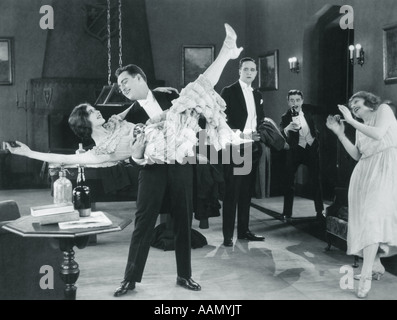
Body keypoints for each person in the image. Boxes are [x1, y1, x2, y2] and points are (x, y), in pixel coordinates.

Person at [6, 23, 246, 296]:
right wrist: (28, 152)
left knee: (182, 221)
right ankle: (130, 279)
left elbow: (188, 119)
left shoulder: (167, 95)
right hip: (152, 170)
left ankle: (185, 276)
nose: (121, 89)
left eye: (124, 83)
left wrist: (195, 144)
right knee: (143, 223)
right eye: (119, 86)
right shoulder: (126, 116)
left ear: (139, 78)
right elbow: (86, 154)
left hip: (180, 164)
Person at [326, 91, 397, 299]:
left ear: (369, 102)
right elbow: (357, 155)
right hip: (364, 174)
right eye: (350, 104)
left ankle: (365, 275)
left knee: (374, 218)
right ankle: (376, 265)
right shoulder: (359, 127)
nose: (352, 106)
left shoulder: (383, 110)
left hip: (385, 169)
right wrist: (340, 133)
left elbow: (378, 134)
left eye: (356, 102)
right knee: (366, 221)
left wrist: (349, 120)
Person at [220, 57, 265, 247]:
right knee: (233, 192)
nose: (249, 72)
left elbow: (259, 119)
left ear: (256, 73)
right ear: (239, 71)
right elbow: (223, 121)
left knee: (247, 192)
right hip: (235, 146)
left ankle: (244, 231)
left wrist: (260, 134)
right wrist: (245, 134)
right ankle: (228, 235)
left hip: (253, 147)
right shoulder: (228, 92)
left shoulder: (257, 94)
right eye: (246, 69)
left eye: (253, 70)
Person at [279, 90, 324, 222]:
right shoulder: (285, 117)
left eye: (297, 100)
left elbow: (324, 110)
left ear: (302, 101)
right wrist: (287, 128)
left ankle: (320, 211)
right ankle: (287, 213)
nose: (295, 103)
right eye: (292, 100)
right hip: (295, 150)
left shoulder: (308, 109)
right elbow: (281, 131)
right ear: (288, 102)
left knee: (316, 180)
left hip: (311, 148)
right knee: (289, 181)